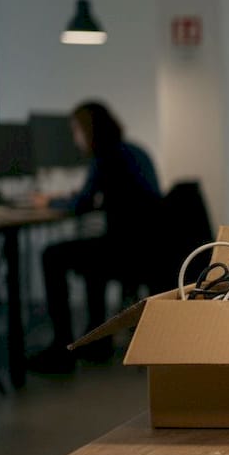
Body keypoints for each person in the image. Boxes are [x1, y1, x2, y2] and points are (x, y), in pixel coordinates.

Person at [27, 101, 162, 374]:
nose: (75, 138)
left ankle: (62, 347)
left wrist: (49, 203)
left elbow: (81, 205)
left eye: (76, 130)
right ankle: (96, 341)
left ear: (88, 130)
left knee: (52, 255)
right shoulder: (135, 151)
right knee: (92, 258)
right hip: (149, 251)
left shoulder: (105, 156)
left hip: (124, 252)